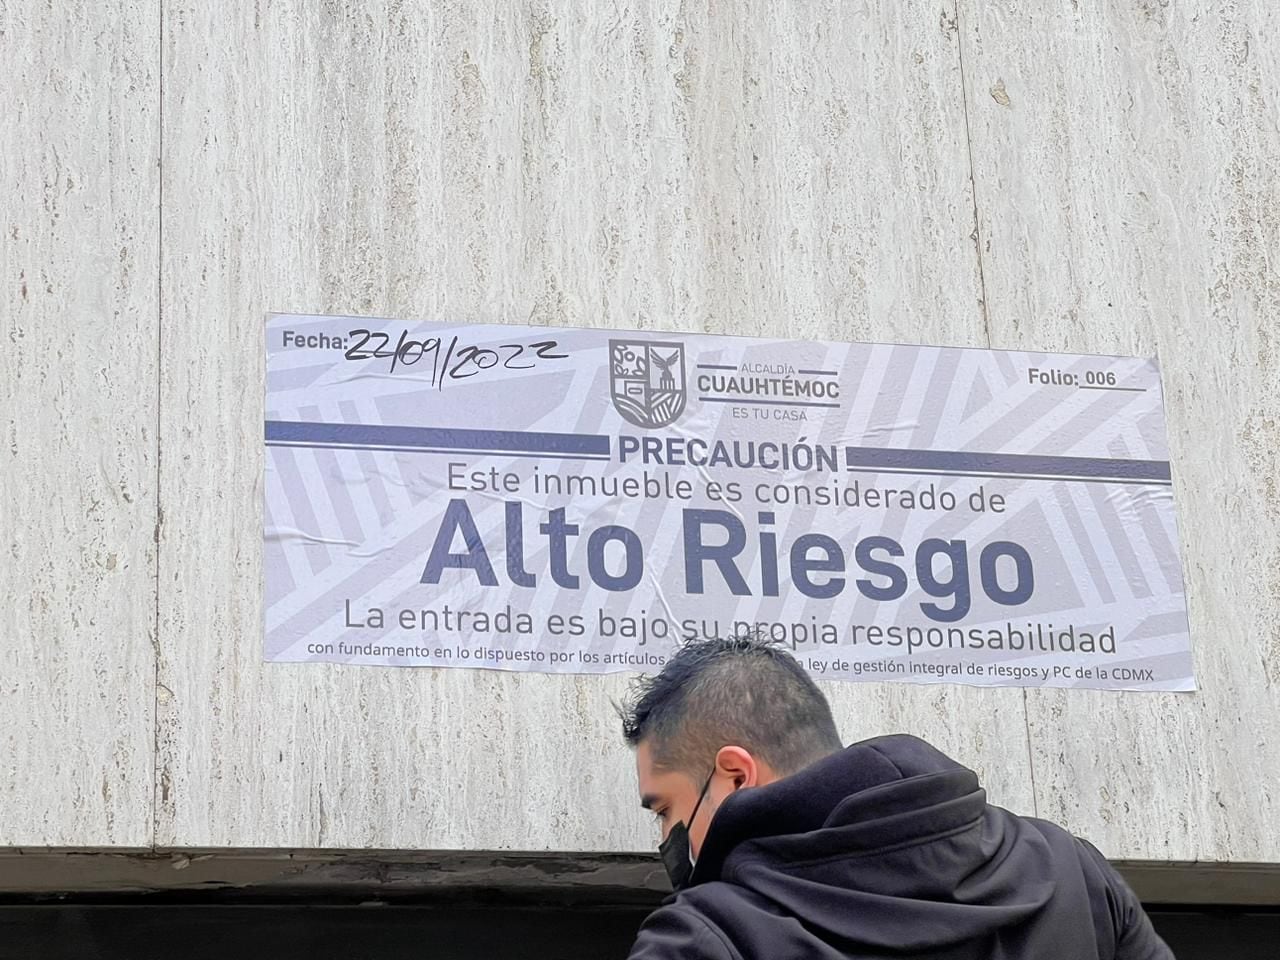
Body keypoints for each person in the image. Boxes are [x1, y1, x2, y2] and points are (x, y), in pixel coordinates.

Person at [619, 635, 1172, 959]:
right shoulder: (1071, 871)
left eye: (666, 809)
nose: (665, 838)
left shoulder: (707, 939)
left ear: (736, 776)